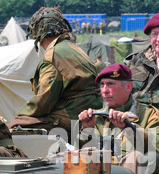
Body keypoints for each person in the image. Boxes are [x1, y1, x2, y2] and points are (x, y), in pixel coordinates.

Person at [78, 64, 159, 174]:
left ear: (129, 87)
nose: (105, 90)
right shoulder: (96, 117)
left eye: (110, 84)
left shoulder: (147, 114)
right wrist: (87, 130)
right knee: (84, 154)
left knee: (135, 158)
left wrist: (130, 129)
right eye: (102, 85)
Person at [8, 7, 102, 139]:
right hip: (88, 116)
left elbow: (43, 102)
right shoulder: (76, 50)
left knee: (15, 126)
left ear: (39, 32)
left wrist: (20, 115)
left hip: (70, 121)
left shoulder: (52, 56)